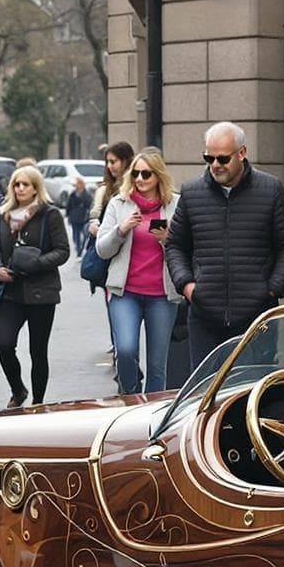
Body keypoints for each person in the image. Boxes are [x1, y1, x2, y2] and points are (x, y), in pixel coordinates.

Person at [166, 120, 284, 373]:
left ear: (242, 153)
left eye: (223, 158)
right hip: (204, 313)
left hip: (256, 316)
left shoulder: (270, 190)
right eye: (209, 158)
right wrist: (187, 285)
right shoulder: (192, 193)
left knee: (251, 390)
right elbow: (175, 245)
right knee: (205, 393)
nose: (215, 165)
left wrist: (273, 289)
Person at [96, 147, 180, 394]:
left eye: (146, 174)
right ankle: (129, 398)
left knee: (157, 364)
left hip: (162, 296)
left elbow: (187, 248)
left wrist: (168, 239)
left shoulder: (175, 204)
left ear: (158, 176)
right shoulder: (119, 204)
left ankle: (153, 414)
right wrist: (120, 230)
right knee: (125, 350)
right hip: (126, 293)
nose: (140, 180)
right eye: (136, 174)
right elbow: (102, 249)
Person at [0, 164, 69, 407]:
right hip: (11, 292)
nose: (20, 188)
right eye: (16, 184)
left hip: (42, 293)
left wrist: (37, 263)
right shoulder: (4, 214)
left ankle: (38, 402)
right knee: (4, 344)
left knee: (37, 351)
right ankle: (18, 389)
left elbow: (62, 251)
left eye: (25, 184)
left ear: (35, 188)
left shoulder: (49, 214)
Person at [85, 141, 133, 362]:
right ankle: (118, 345)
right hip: (108, 256)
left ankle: (122, 348)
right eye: (108, 162)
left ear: (126, 161)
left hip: (131, 257)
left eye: (114, 161)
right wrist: (94, 225)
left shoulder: (136, 186)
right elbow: (94, 214)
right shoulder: (105, 189)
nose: (111, 166)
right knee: (112, 301)